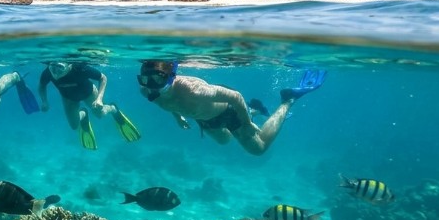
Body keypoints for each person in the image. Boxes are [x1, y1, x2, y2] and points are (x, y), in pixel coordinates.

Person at [137, 60, 325, 155]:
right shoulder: (147, 91)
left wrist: (247, 122)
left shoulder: (195, 91)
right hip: (204, 118)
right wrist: (178, 117)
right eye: (145, 80)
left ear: (170, 77)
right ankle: (255, 109)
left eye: (157, 79)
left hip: (227, 111)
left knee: (257, 149)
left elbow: (235, 96)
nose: (151, 84)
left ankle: (287, 100)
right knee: (224, 140)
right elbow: (170, 102)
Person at [38, 61, 141, 150]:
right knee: (74, 125)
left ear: (69, 66)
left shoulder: (81, 69)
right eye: (53, 68)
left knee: (100, 115)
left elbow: (103, 78)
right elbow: (42, 85)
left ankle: (113, 108)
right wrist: (44, 101)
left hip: (89, 93)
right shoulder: (48, 72)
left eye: (60, 68)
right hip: (68, 98)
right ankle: (84, 114)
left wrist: (99, 99)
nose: (56, 73)